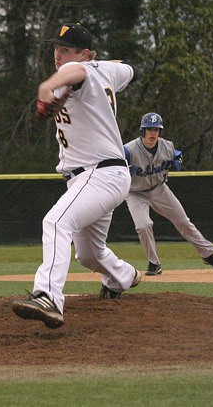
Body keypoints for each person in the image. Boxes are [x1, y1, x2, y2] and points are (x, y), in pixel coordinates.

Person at [11, 23, 141, 329]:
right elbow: (130, 69)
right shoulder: (105, 70)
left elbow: (77, 73)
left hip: (101, 174)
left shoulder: (83, 72)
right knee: (88, 255)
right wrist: (109, 64)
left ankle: (49, 298)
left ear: (83, 54)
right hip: (91, 178)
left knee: (56, 222)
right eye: (56, 48)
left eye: (65, 49)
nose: (57, 54)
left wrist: (46, 87)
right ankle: (123, 276)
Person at [124, 112, 213, 276]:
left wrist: (177, 160)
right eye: (149, 129)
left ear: (160, 132)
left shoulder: (167, 146)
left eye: (156, 129)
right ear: (142, 131)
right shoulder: (129, 150)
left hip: (159, 189)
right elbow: (114, 164)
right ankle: (154, 263)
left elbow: (176, 155)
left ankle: (208, 255)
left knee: (183, 222)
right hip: (135, 193)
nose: (153, 133)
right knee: (143, 225)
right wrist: (123, 171)